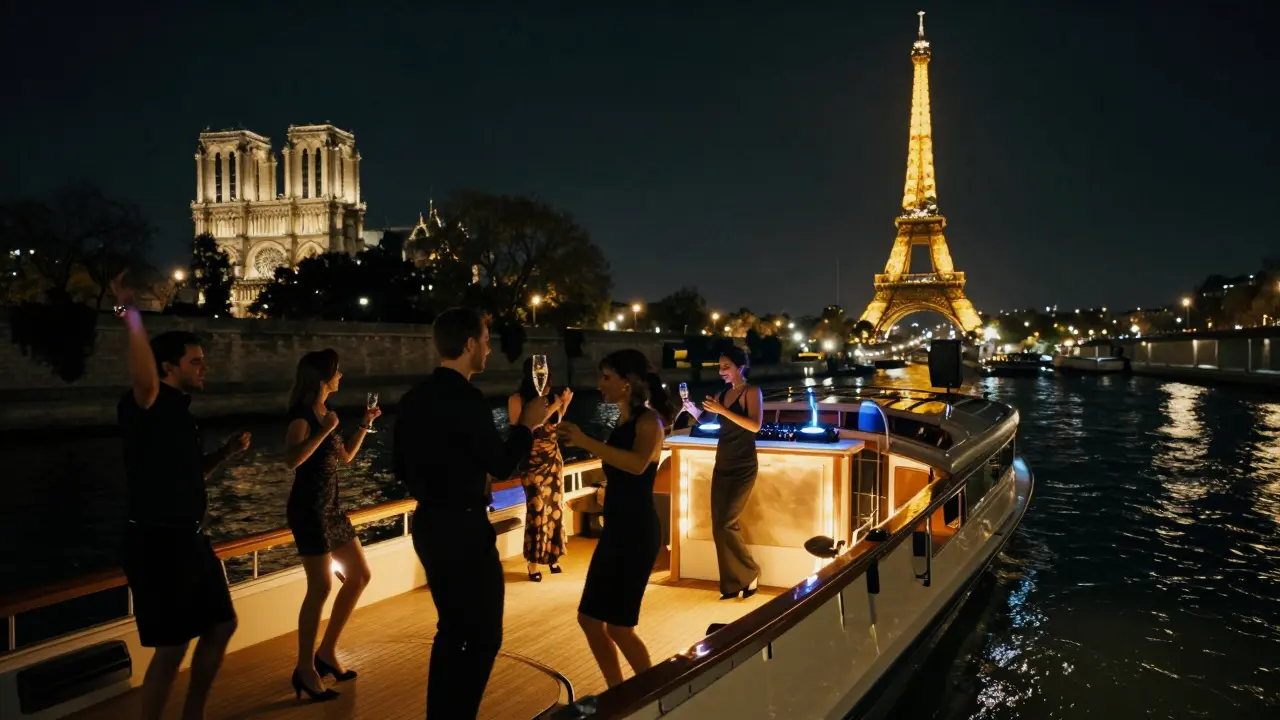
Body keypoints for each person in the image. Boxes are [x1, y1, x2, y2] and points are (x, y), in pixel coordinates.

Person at [393, 307, 565, 718]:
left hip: (430, 524)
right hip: (464, 528)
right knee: (485, 634)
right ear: (469, 344)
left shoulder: (414, 398)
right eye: (486, 340)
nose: (489, 348)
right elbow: (502, 461)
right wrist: (527, 426)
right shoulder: (468, 400)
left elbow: (400, 464)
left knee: (451, 629)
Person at [112, 273, 250, 720]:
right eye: (194, 362)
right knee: (171, 649)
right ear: (168, 368)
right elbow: (142, 374)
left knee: (221, 625)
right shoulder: (146, 404)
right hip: (156, 544)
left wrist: (224, 455)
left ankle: (193, 713)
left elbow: (189, 475)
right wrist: (131, 314)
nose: (203, 367)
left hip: (190, 541)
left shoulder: (183, 416)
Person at [556, 349, 673, 688]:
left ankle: (653, 694)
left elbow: (636, 465)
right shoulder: (622, 422)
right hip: (617, 530)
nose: (599, 384)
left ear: (627, 383)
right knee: (590, 621)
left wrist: (584, 440)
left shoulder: (649, 422)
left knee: (620, 628)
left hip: (636, 533)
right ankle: (617, 693)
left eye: (606, 377)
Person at [282, 349, 381, 702]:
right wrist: (323, 432)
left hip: (332, 509)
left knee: (359, 576)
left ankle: (326, 653)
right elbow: (292, 460)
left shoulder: (327, 415)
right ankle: (305, 668)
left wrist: (365, 424)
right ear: (324, 379)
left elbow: (347, 457)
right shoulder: (303, 417)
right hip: (308, 510)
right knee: (321, 587)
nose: (341, 377)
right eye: (337, 372)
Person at [683, 346, 763, 599]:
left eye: (726, 367)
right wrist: (692, 409)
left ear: (741, 367)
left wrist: (722, 411)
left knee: (727, 520)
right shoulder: (721, 394)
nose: (721, 372)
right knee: (719, 524)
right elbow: (708, 422)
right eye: (719, 367)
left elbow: (755, 426)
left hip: (743, 464)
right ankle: (733, 582)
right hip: (723, 461)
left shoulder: (752, 392)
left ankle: (749, 573)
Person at [509, 358, 572, 581]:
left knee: (555, 508)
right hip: (533, 461)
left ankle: (553, 556)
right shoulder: (517, 400)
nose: (546, 379)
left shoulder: (552, 398)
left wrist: (563, 406)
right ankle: (533, 564)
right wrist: (555, 406)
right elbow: (528, 428)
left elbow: (554, 425)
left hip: (554, 458)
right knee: (537, 510)